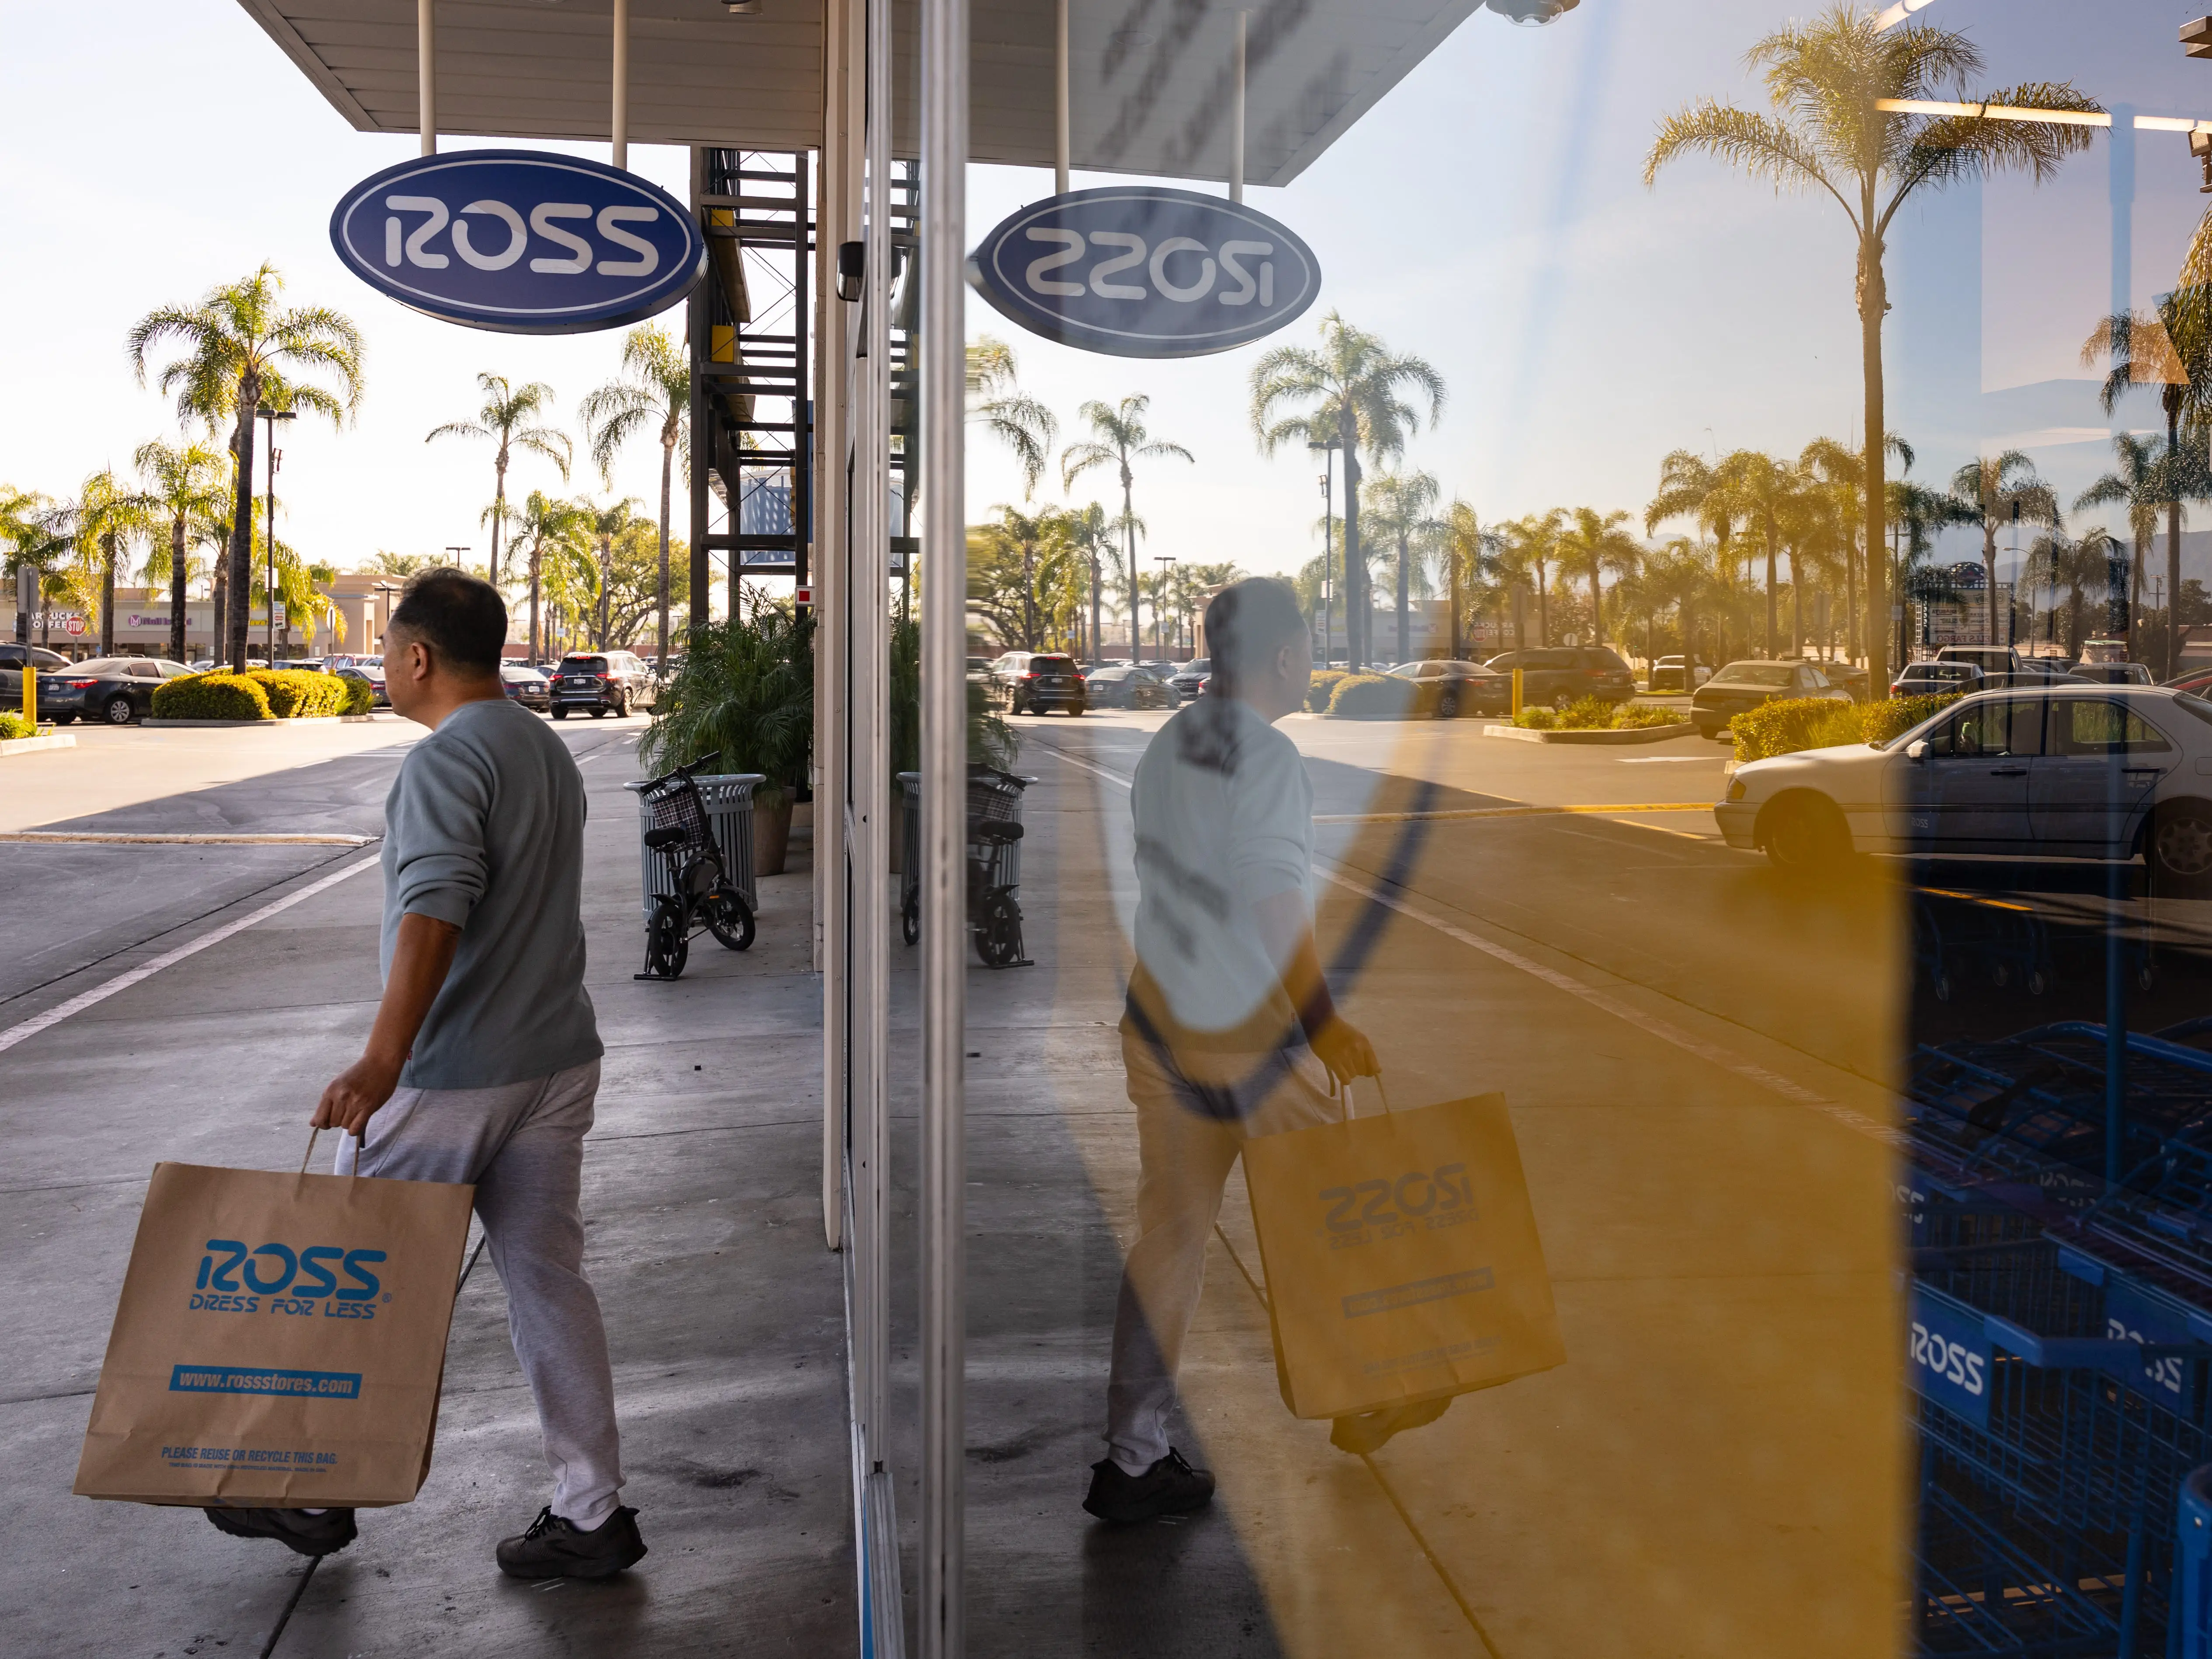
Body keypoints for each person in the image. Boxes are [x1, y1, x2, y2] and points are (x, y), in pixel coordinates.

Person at [201, 568, 645, 1580]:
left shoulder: (446, 762)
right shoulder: (544, 748)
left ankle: (314, 1491)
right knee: (547, 1284)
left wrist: (382, 1057)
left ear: (416, 656)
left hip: (452, 1075)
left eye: (389, 654)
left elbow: (435, 909)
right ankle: (591, 1512)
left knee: (375, 1290)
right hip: (556, 1063)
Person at [1085, 578, 1391, 1527]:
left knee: (1168, 1244)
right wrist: (1323, 1021)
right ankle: (1368, 1389)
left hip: (1160, 1024)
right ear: (1285, 656)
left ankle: (1132, 1459)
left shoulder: (1168, 742)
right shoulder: (1267, 754)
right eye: (1306, 642)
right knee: (1330, 1214)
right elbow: (1270, 896)